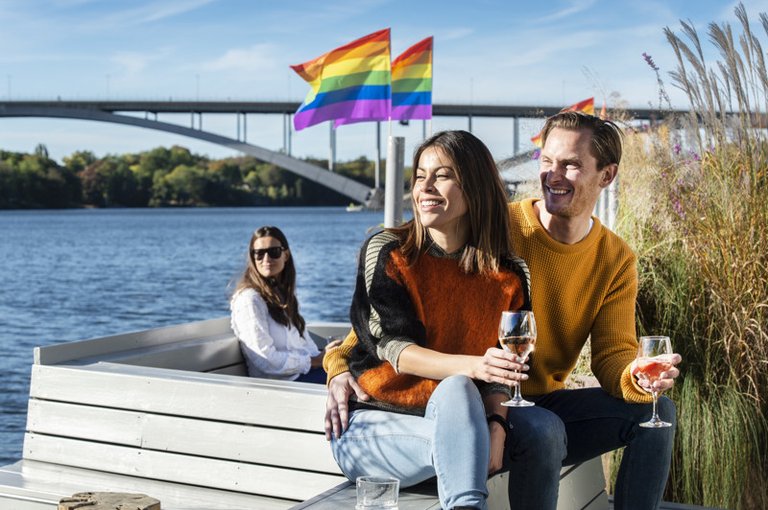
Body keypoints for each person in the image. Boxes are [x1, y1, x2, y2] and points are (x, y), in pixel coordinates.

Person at [323, 112, 683, 510]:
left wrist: (636, 376)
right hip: (466, 400)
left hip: (520, 400)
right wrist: (338, 365)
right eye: (547, 161)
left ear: (607, 175)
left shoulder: (612, 258)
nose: (553, 175)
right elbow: (382, 325)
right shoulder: (490, 225)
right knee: (536, 427)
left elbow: (613, 355)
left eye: (571, 164)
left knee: (658, 411)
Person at [329, 130, 532, 510]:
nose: (425, 187)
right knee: (459, 392)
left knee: (464, 393)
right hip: (373, 425)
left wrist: (498, 428)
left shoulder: (510, 274)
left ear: (475, 186)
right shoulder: (389, 251)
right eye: (420, 175)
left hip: (461, 416)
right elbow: (394, 349)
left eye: (442, 175)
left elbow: (506, 371)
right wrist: (476, 366)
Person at [230, 226, 333, 383]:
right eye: (259, 253)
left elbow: (306, 346)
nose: (266, 259)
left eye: (274, 252)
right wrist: (315, 361)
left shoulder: (283, 296)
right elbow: (264, 359)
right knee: (356, 384)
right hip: (282, 385)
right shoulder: (249, 300)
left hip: (304, 376)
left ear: (286, 255)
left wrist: (328, 356)